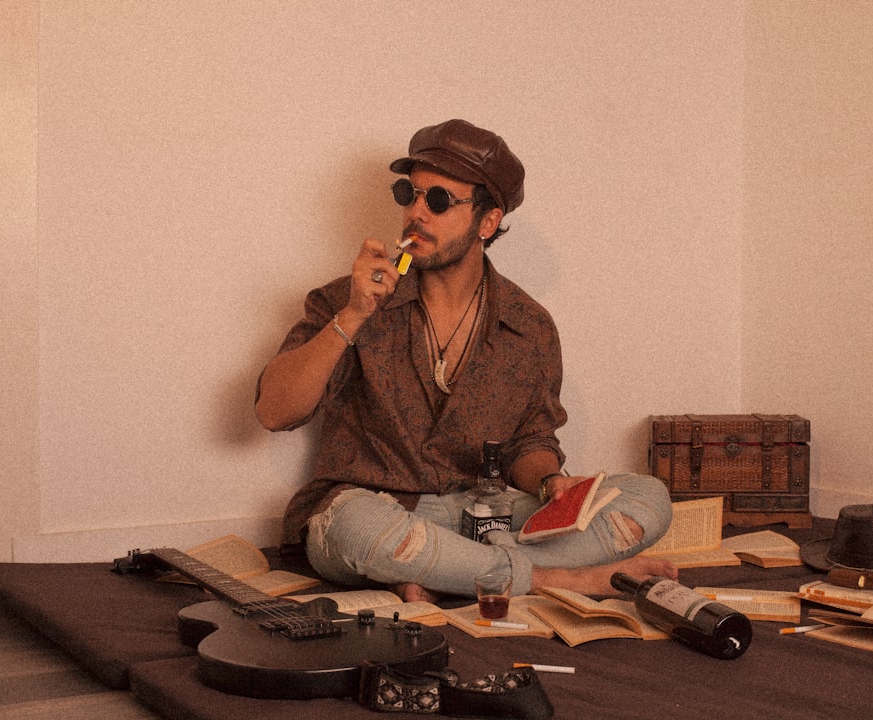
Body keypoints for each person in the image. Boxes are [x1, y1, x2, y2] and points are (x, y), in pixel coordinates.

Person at [256, 119, 677, 601]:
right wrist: (352, 317)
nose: (416, 212)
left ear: (488, 221)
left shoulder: (529, 326)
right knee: (355, 528)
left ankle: (444, 569)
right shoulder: (352, 298)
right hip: (373, 509)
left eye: (438, 201)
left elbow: (530, 441)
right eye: (409, 194)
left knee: (648, 500)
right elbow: (274, 411)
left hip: (484, 516)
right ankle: (557, 579)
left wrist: (551, 482)